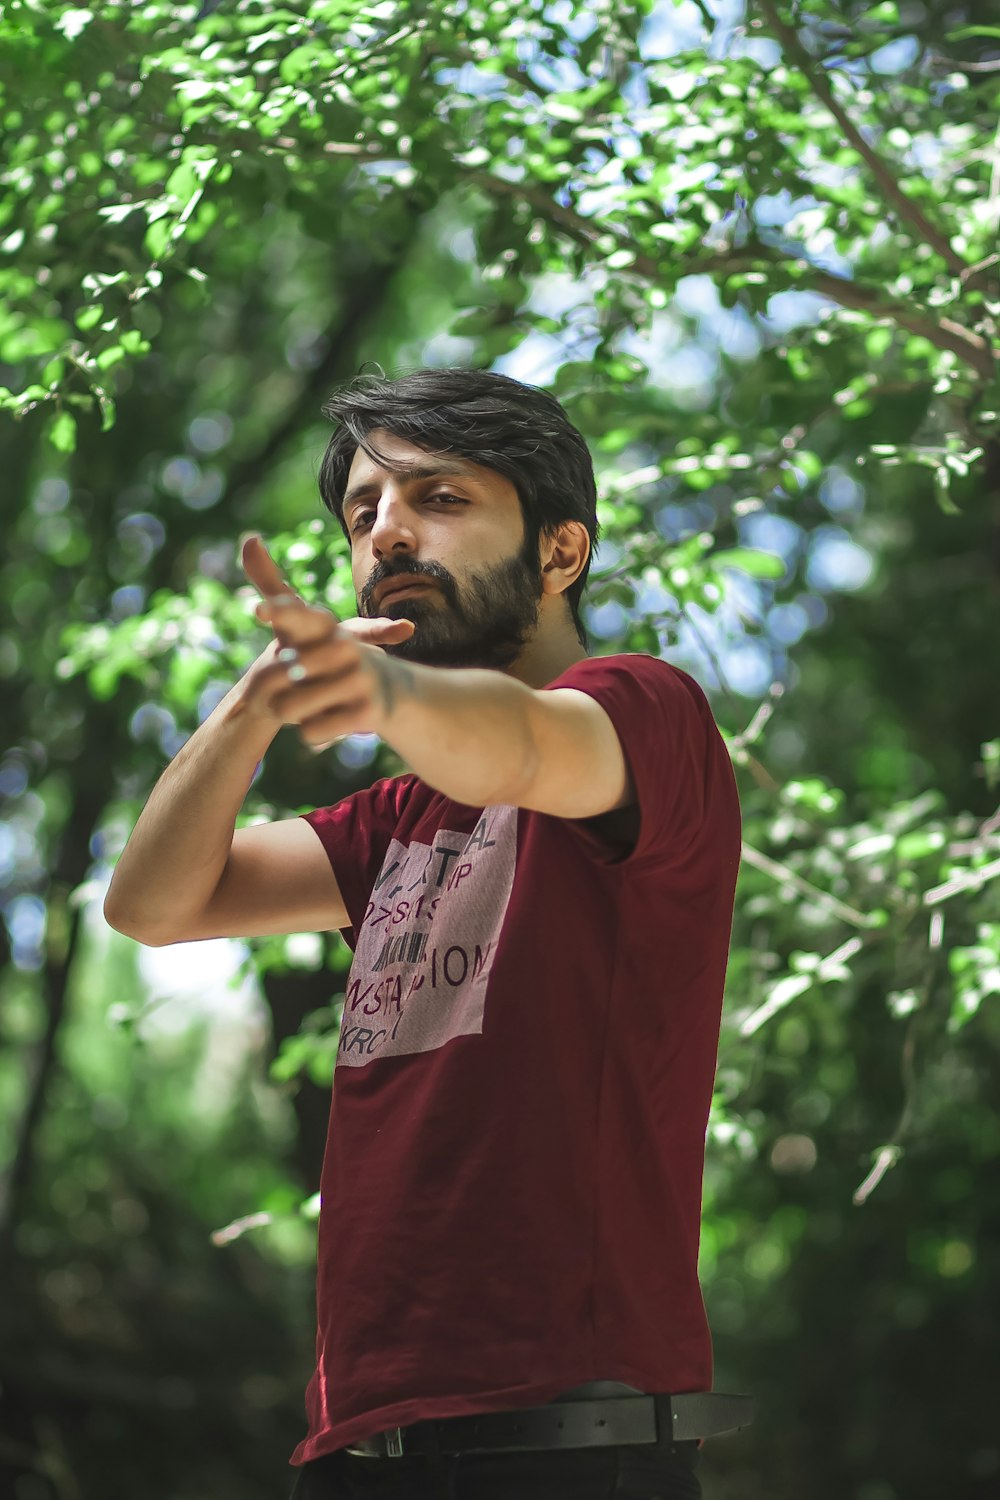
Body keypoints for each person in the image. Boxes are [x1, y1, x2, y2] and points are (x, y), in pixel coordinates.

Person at [104, 367, 748, 1499]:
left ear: (560, 552)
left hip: (571, 1450)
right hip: (364, 1450)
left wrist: (381, 693)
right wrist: (256, 701)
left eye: (439, 499)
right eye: (363, 514)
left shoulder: (647, 714)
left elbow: (526, 746)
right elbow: (153, 904)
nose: (388, 531)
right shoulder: (395, 823)